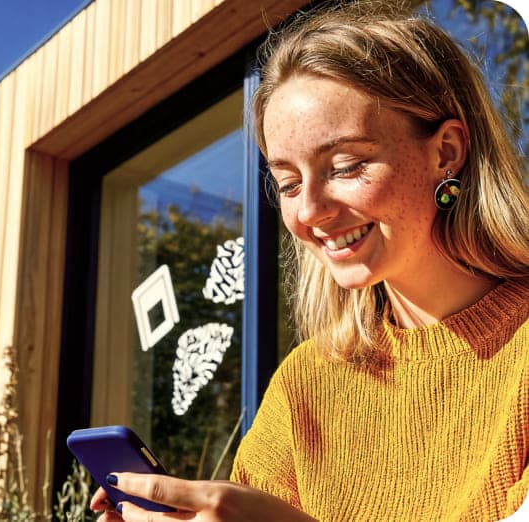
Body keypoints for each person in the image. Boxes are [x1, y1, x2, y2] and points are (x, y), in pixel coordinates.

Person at [91, 1, 529, 520]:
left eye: (345, 166)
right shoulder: (306, 383)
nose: (310, 212)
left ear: (447, 152)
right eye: (289, 183)